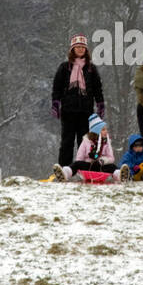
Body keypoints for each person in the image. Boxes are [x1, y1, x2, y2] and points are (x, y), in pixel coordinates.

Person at [51, 34, 105, 169]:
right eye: (77, 47)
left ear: (86, 50)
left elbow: (98, 88)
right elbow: (57, 86)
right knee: (67, 142)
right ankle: (64, 169)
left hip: (86, 111)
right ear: (72, 50)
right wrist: (56, 103)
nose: (80, 49)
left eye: (83, 47)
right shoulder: (64, 67)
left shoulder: (91, 69)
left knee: (85, 142)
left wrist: (100, 104)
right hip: (68, 110)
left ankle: (84, 169)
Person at [52, 114, 121, 181]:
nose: (106, 131)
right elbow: (79, 158)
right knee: (76, 164)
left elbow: (111, 158)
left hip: (101, 166)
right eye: (103, 130)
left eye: (106, 129)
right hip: (88, 166)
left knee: (112, 166)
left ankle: (119, 175)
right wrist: (83, 167)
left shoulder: (106, 141)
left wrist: (102, 160)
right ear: (96, 132)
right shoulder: (86, 141)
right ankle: (65, 173)